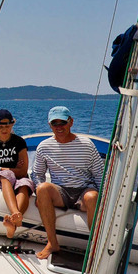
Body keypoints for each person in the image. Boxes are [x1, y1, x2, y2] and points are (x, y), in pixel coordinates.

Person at [30, 105, 106, 260]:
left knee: (92, 197)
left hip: (84, 190)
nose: (59, 127)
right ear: (49, 125)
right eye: (54, 123)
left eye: (62, 122)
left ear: (71, 122)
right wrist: (39, 194)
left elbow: (99, 174)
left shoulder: (87, 145)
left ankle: (94, 247)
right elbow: (37, 174)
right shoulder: (44, 147)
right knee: (43, 188)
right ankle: (52, 243)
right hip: (61, 192)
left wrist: (104, 198)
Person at [0, 109, 32, 236]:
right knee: (6, 176)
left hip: (15, 177)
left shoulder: (19, 142)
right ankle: (15, 212)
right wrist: (2, 170)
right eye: (0, 127)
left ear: (12, 125)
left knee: (25, 183)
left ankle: (13, 224)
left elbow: (23, 171)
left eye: (7, 126)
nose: (4, 129)